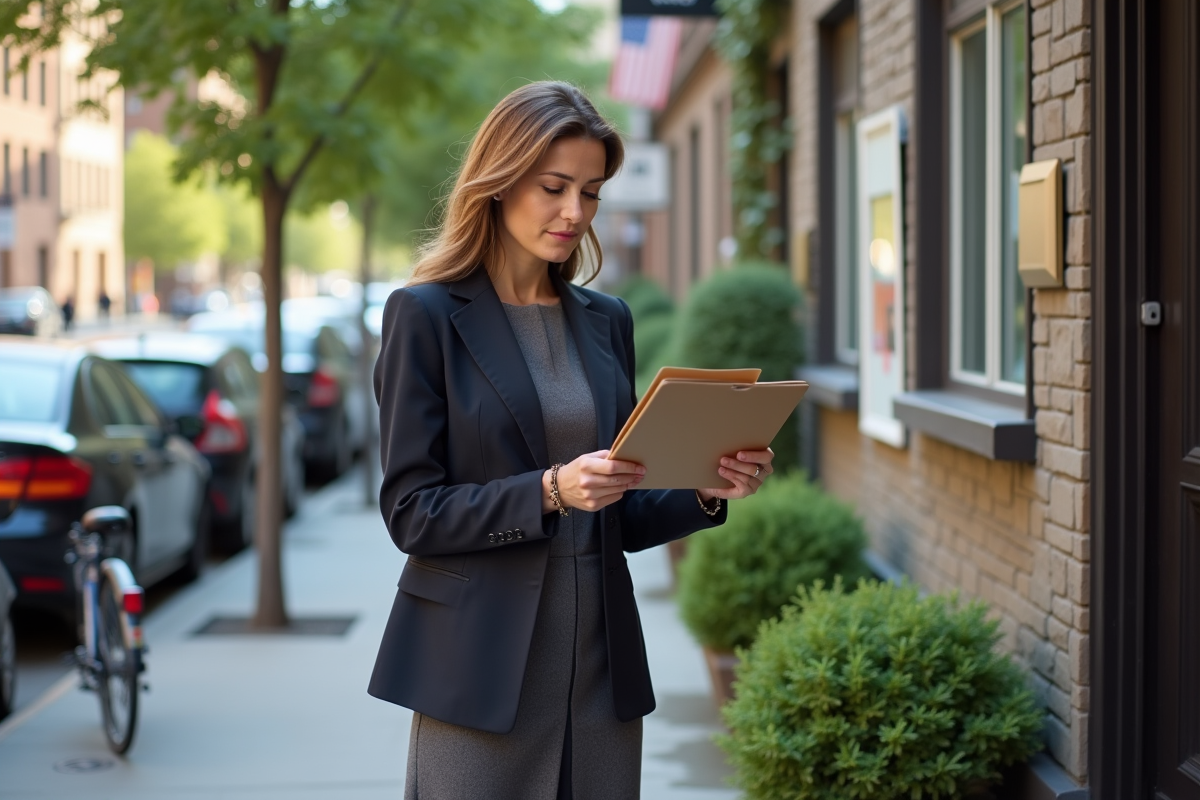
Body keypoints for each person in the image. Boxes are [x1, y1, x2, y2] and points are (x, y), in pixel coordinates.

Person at [369, 81, 775, 800]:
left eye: (590, 192)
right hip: (480, 674)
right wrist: (550, 490)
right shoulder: (424, 315)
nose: (574, 212)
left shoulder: (605, 319)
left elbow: (621, 507)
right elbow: (412, 513)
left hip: (598, 673)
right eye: (554, 187)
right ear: (498, 182)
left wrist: (706, 490)